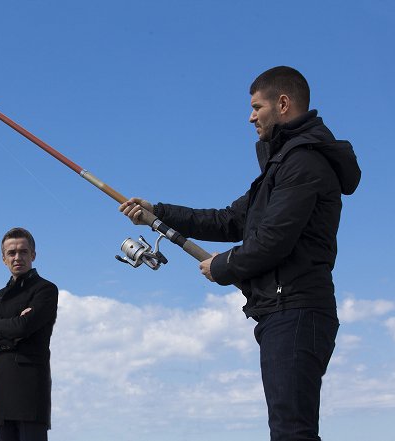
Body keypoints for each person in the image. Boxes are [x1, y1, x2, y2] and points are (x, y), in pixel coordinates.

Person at [120, 66, 361, 441]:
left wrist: (224, 265)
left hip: (296, 309)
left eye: (256, 107)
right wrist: (158, 213)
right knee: (288, 429)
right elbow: (230, 220)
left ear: (283, 104)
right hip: (282, 311)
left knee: (291, 432)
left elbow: (274, 239)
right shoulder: (282, 164)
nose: (250, 116)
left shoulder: (304, 161)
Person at [0, 227, 58, 441]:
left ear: (33, 255)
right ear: (3, 259)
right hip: (1, 385)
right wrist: (15, 327)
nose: (17, 257)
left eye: (23, 251)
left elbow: (24, 327)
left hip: (30, 385)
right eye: (11, 253)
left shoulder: (45, 290)